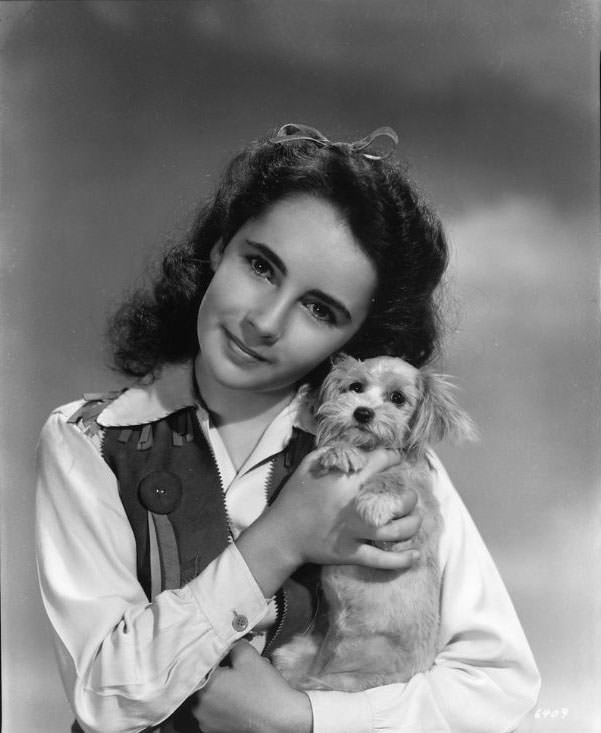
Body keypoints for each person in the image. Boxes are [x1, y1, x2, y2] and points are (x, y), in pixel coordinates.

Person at [36, 124, 540, 733]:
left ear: (353, 339)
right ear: (220, 247)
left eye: (320, 309)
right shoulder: (89, 441)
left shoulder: (389, 457)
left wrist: (301, 719)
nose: (267, 322)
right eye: (261, 266)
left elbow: (498, 683)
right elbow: (101, 696)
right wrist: (283, 538)